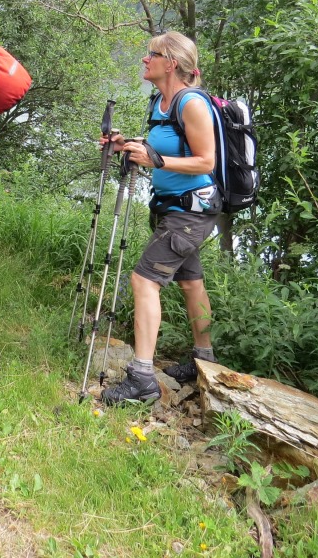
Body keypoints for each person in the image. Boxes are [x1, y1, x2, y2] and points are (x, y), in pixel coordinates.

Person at [99, 31, 221, 405]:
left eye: (150, 55)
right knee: (190, 282)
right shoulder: (161, 103)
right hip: (171, 206)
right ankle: (205, 359)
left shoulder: (191, 103)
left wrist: (157, 161)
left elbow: (206, 161)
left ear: (171, 63)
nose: (143, 60)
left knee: (143, 280)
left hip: (190, 211)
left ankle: (141, 378)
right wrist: (130, 146)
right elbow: (164, 145)